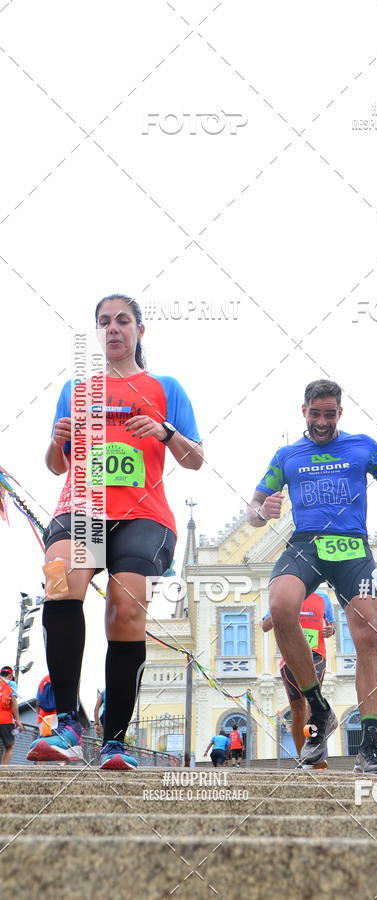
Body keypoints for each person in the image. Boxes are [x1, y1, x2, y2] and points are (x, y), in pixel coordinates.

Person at [27, 295, 203, 770]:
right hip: (81, 509)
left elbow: (195, 459)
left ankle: (116, 740)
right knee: (60, 586)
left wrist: (165, 433)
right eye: (103, 322)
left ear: (139, 331)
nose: (113, 329)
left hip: (143, 516)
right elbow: (54, 464)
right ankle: (68, 722)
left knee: (125, 610)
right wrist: (57, 441)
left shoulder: (166, 387)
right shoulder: (76, 390)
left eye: (122, 320)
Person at [247, 379, 377, 774]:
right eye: (314, 413)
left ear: (340, 413)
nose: (321, 422)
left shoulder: (362, 447)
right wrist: (263, 511)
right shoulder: (288, 455)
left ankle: (370, 748)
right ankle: (320, 709)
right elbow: (253, 508)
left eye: (329, 414)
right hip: (306, 543)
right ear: (303, 411)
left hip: (353, 547)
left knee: (369, 635)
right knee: (281, 604)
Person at [262, 588, 335, 767]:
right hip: (290, 657)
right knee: (297, 709)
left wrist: (330, 630)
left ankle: (314, 754)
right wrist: (283, 609)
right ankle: (303, 758)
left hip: (316, 655)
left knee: (313, 705)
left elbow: (331, 625)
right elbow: (265, 625)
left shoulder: (323, 597)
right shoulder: (283, 594)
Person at [0, 666, 24, 764]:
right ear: (10, 676)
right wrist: (18, 720)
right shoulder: (11, 683)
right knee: (9, 746)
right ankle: (3, 773)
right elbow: (13, 702)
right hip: (5, 719)